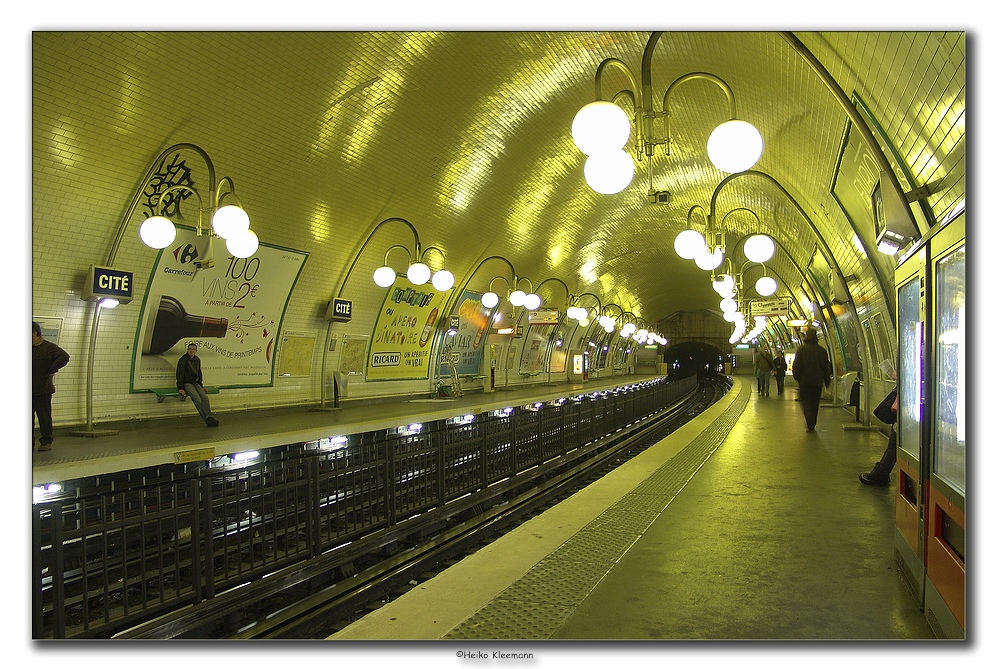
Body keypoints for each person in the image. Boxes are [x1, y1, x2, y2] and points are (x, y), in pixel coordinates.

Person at [33, 321, 70, 451]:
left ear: (35, 333)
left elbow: (64, 357)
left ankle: (46, 441)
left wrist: (51, 369)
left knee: (44, 417)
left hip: (43, 389)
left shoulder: (49, 348)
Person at [791, 328, 831, 431]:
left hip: (804, 381)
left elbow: (797, 364)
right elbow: (826, 367)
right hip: (817, 382)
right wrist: (827, 381)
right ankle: (812, 423)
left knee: (805, 401)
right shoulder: (822, 351)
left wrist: (796, 376)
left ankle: (809, 420)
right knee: (814, 402)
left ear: (806, 337)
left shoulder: (801, 349)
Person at [860, 387, 898, 486]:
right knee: (893, 446)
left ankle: (880, 474)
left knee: (893, 447)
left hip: (905, 416)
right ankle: (881, 473)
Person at [176, 343, 220, 427]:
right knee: (197, 399)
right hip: (186, 383)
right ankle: (206, 419)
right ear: (187, 350)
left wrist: (201, 386)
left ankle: (210, 416)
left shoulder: (197, 360)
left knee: (205, 398)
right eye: (190, 349)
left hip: (195, 382)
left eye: (193, 349)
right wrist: (180, 387)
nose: (191, 350)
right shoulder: (183, 360)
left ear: (196, 351)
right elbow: (180, 374)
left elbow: (199, 373)